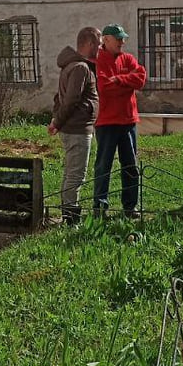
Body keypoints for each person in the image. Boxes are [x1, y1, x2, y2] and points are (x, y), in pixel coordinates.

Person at [93, 23, 147, 218]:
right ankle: (100, 206)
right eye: (118, 39)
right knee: (103, 165)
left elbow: (140, 79)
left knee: (130, 165)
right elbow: (105, 87)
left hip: (128, 120)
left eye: (123, 38)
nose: (122, 42)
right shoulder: (99, 60)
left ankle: (130, 206)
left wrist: (119, 80)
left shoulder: (128, 58)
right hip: (107, 122)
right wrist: (126, 81)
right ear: (106, 40)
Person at [49, 27, 101, 225]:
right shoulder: (80, 67)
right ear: (88, 44)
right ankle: (71, 220)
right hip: (77, 129)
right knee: (76, 176)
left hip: (74, 127)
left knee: (72, 173)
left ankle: (67, 215)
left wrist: (56, 120)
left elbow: (58, 98)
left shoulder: (71, 66)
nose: (100, 48)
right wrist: (58, 121)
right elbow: (70, 99)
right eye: (98, 44)